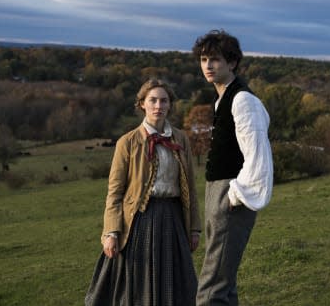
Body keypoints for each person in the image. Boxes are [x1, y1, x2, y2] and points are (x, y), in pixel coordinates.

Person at [85, 78, 201, 306]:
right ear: (142, 104)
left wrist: (194, 228)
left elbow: (191, 189)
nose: (158, 106)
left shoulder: (180, 139)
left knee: (177, 285)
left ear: (170, 105)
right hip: (139, 222)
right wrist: (111, 232)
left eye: (164, 101)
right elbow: (115, 192)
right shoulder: (127, 143)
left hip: (173, 218)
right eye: (153, 100)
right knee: (137, 287)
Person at [192, 29, 274, 305]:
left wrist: (234, 196)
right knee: (224, 287)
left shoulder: (242, 100)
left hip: (232, 195)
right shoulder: (222, 100)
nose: (208, 66)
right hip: (219, 192)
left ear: (232, 63)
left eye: (215, 59)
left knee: (211, 291)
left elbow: (258, 158)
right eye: (204, 60)